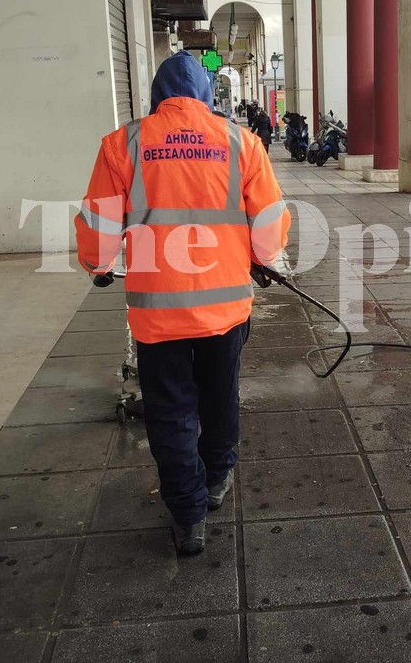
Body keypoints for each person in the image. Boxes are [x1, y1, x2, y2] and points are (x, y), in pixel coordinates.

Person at [75, 51, 290, 555]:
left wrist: (98, 265)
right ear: (207, 97)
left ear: (157, 98)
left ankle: (187, 512)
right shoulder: (242, 142)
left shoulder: (123, 144)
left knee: (170, 410)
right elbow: (270, 222)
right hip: (226, 306)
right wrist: (267, 260)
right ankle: (216, 478)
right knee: (220, 395)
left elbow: (101, 224)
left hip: (158, 310)